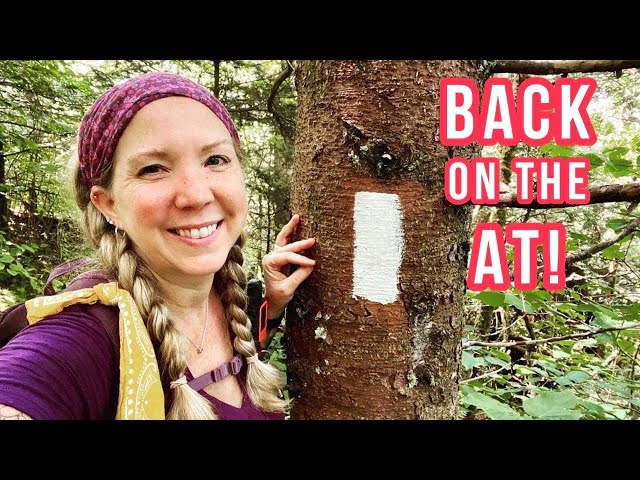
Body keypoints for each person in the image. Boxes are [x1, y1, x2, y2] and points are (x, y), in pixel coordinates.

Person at [0, 72, 316, 420]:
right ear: (108, 204)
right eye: (153, 169)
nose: (196, 195)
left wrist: (271, 305)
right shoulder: (86, 336)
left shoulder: (227, 303)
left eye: (215, 160)